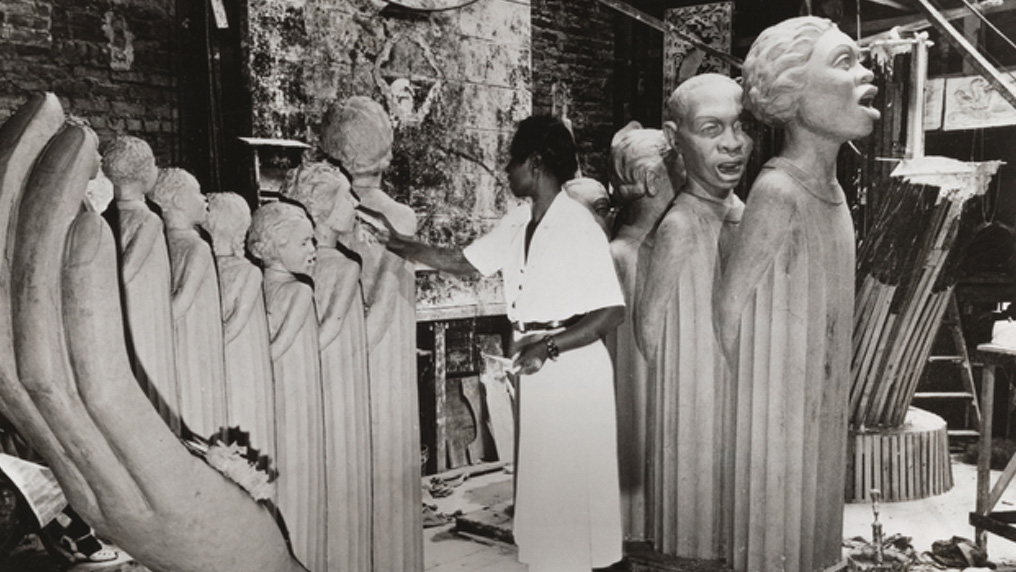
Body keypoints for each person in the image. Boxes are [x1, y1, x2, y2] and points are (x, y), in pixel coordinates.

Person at [376, 115, 625, 572]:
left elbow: (612, 312)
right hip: (539, 364)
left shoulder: (577, 225)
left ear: (534, 163)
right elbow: (466, 262)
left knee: (570, 482)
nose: (507, 171)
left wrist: (548, 346)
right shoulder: (519, 221)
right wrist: (401, 245)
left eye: (512, 162)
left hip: (573, 366)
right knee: (546, 481)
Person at [714, 16, 879, 572]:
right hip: (777, 421)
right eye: (844, 62)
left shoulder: (830, 191)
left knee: (816, 536)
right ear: (790, 93)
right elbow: (729, 311)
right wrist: (763, 407)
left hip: (821, 406)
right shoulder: (778, 191)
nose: (867, 73)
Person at [632, 73, 750, 559]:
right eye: (711, 128)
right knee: (695, 523)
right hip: (693, 397)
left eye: (740, 127)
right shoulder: (682, 223)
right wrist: (686, 378)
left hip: (737, 388)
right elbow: (649, 326)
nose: (733, 144)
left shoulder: (741, 210)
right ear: (675, 136)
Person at [320, 95, 422, 572]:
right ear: (386, 152)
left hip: (339, 350)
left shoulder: (320, 208)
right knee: (384, 454)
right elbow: (385, 296)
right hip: (384, 353)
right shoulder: (398, 216)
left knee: (346, 457)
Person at [280, 161, 372, 572]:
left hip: (330, 381)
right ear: (319, 207)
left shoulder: (329, 265)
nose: (354, 202)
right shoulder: (337, 267)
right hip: (325, 385)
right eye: (345, 195)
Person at [605, 122, 681, 542]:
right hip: (630, 395)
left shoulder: (650, 249)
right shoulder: (622, 255)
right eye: (678, 171)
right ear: (653, 180)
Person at [248, 201, 327, 572]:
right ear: (277, 247)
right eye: (304, 243)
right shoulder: (298, 292)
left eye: (312, 242)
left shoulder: (255, 285)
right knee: (297, 472)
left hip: (269, 391)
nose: (313, 250)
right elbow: (277, 349)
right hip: (295, 389)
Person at [103, 135, 180, 435]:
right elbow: (126, 270)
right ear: (145, 172)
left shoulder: (107, 216)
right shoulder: (149, 221)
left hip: (123, 313)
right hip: (146, 316)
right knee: (153, 380)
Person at [204, 192, 277, 485]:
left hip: (219, 358)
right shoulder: (246, 271)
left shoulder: (213, 268)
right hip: (240, 358)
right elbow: (236, 321)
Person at [150, 168, 228, 442]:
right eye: (197, 192)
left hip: (174, 343)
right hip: (196, 344)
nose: (204, 198)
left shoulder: (161, 242)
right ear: (179, 201)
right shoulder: (197, 247)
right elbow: (182, 300)